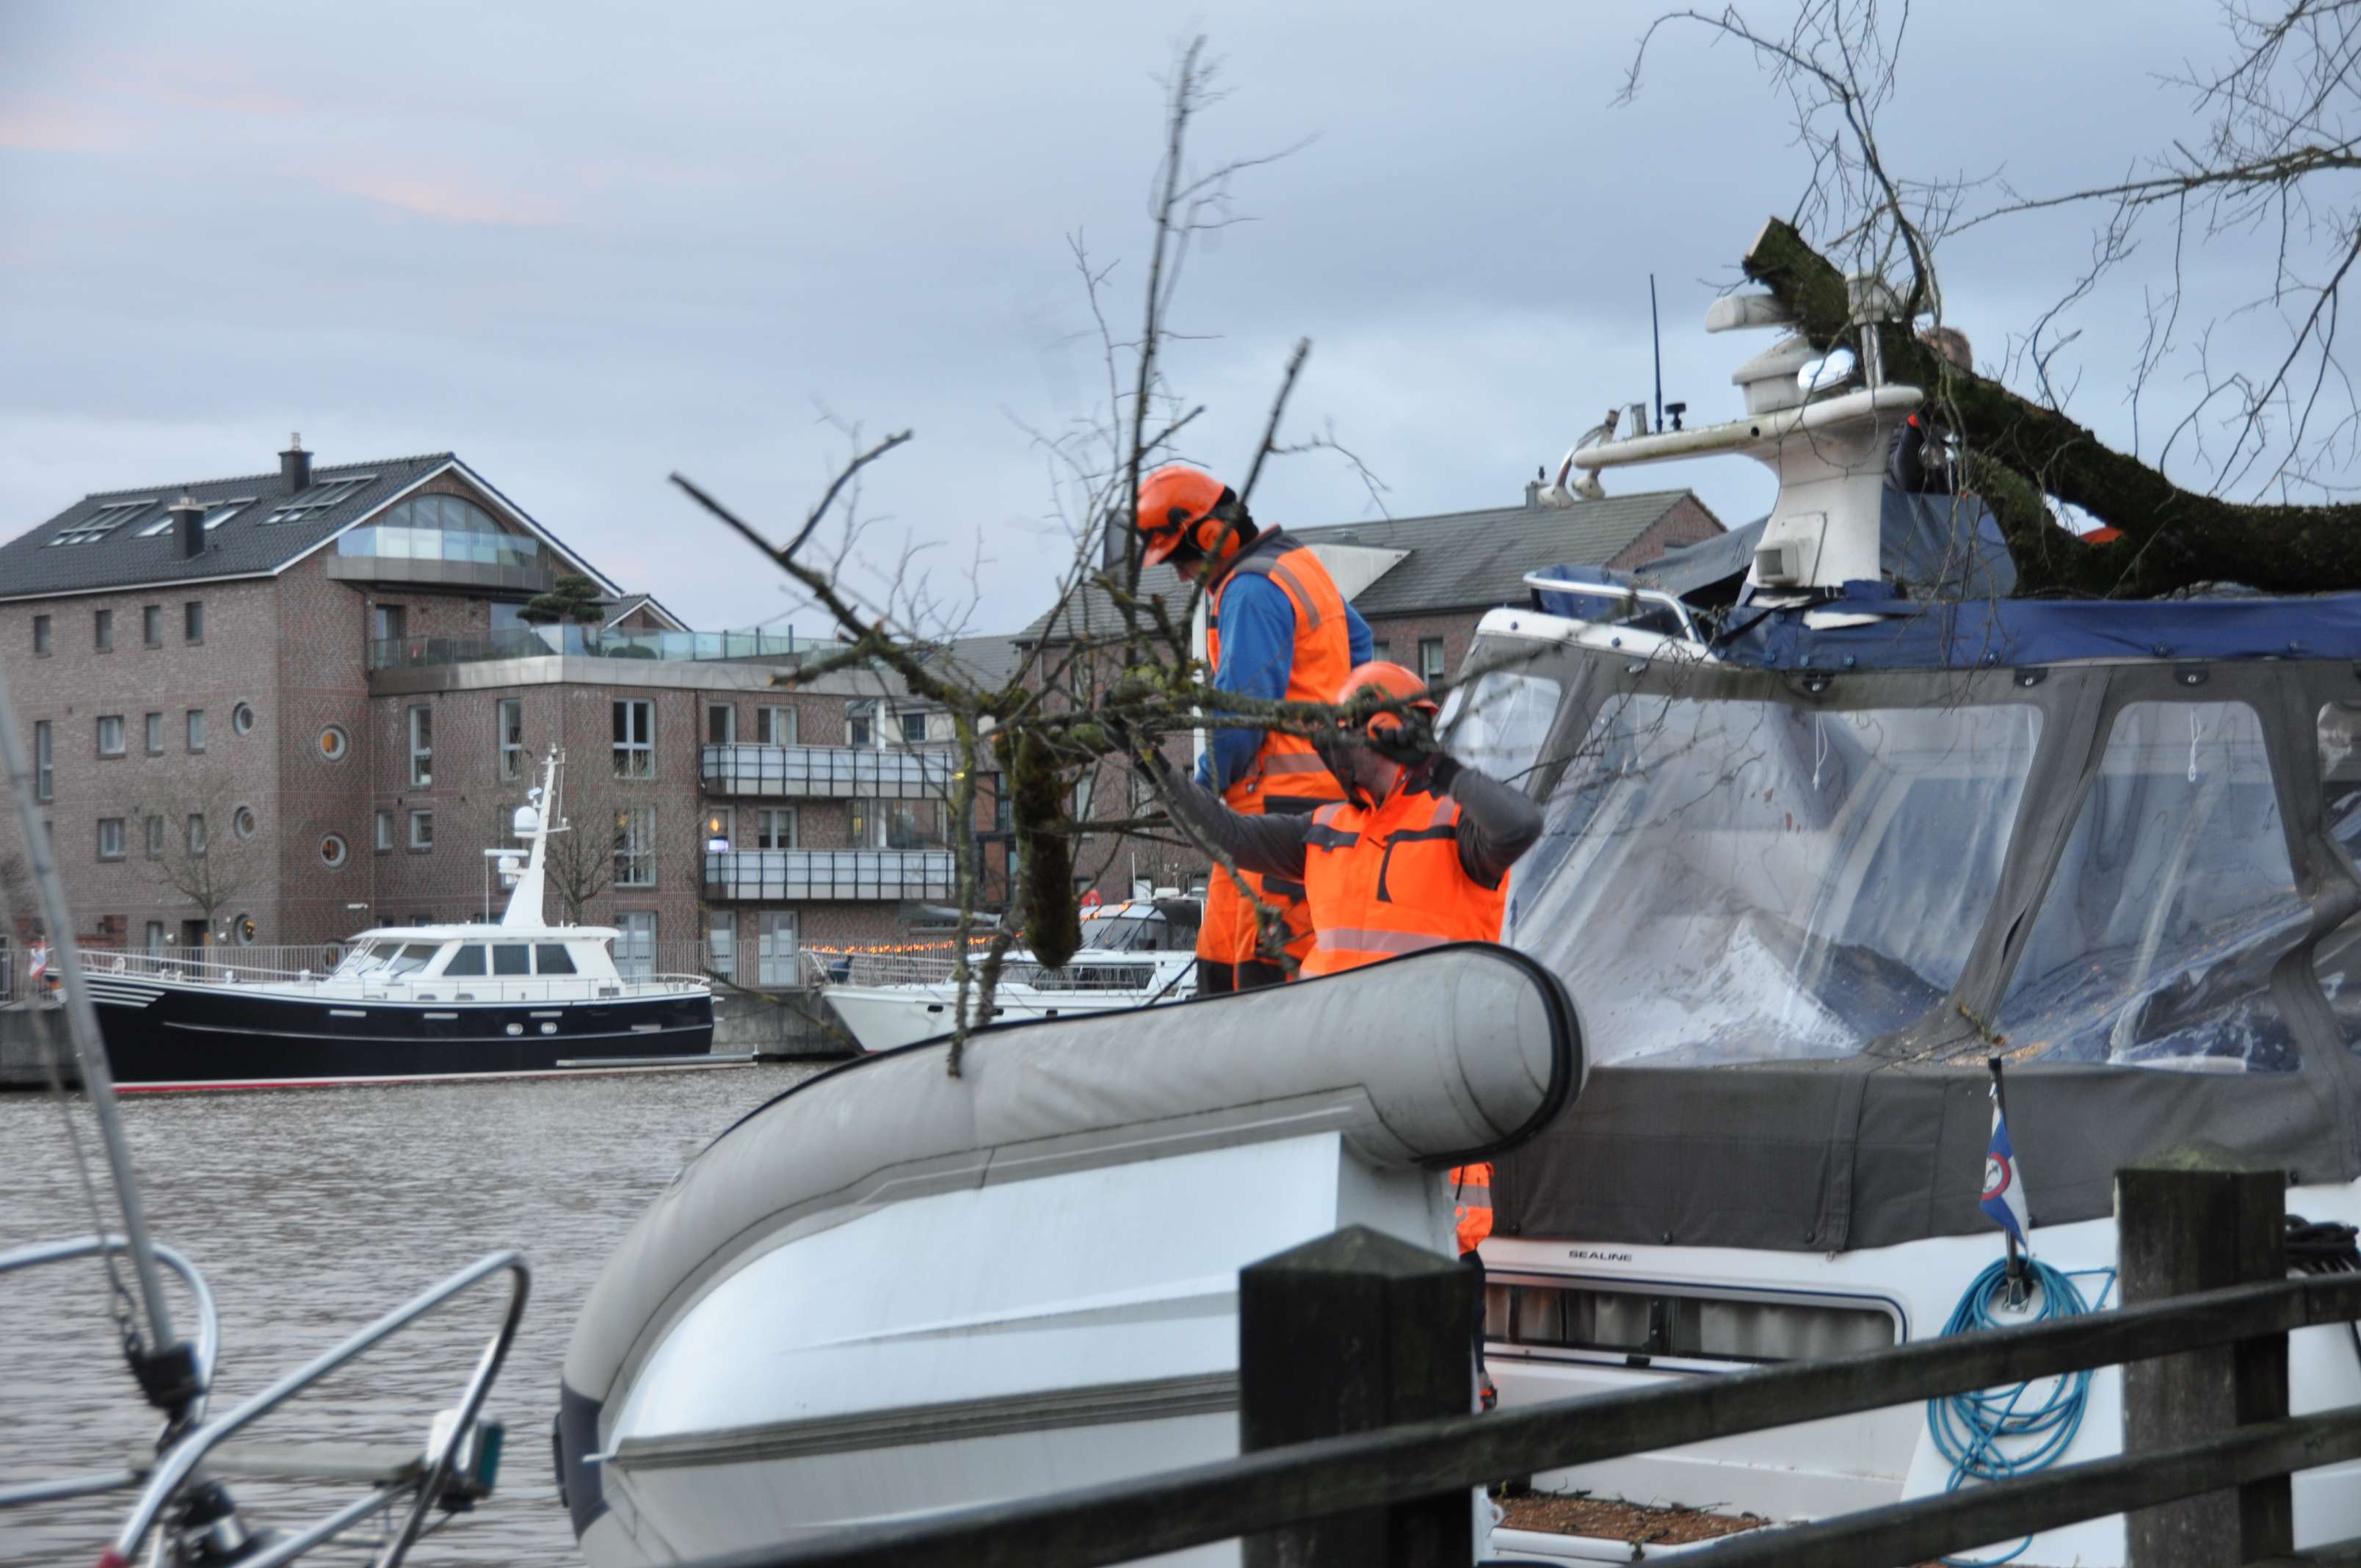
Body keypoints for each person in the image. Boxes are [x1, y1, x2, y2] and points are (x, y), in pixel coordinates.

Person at [1134, 464, 1372, 995]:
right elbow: (1359, 643)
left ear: (1211, 536)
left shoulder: (1249, 591)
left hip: (1272, 816)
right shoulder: (1297, 565)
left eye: (1180, 560)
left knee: (1258, 981)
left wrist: (1199, 791)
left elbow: (1238, 720)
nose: (1182, 576)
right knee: (1223, 964)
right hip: (1297, 815)